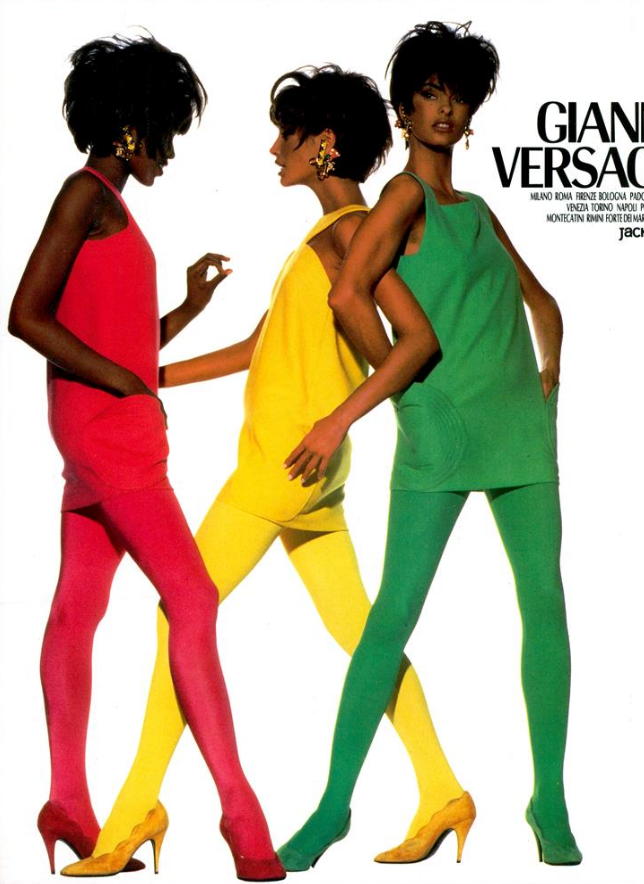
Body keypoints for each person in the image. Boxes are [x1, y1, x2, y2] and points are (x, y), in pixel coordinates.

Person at [88, 63, 469, 874]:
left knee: (178, 615)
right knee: (363, 635)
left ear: (322, 144)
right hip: (310, 481)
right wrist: (148, 377)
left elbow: (413, 344)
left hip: (279, 469)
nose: (273, 150)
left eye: (285, 137)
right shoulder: (329, 235)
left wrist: (336, 420)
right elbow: (255, 348)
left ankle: (131, 813)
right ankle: (441, 790)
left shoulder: (347, 235)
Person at [278, 21, 582, 869]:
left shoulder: (477, 210)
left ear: (472, 110)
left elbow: (542, 300)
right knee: (390, 618)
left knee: (544, 604)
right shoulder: (400, 199)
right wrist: (404, 390)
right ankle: (333, 807)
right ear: (403, 108)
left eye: (459, 95)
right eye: (429, 93)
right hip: (438, 435)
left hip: (518, 429)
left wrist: (550, 370)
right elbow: (347, 295)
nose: (446, 108)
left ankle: (548, 798)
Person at [8, 34, 284, 881]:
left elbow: (118, 341)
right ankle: (240, 813)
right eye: (164, 133)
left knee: (76, 609)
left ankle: (68, 804)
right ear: (131, 127)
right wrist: (122, 383)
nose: (169, 151)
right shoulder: (84, 195)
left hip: (96, 431)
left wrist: (189, 309)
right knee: (192, 596)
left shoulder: (112, 209)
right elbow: (25, 314)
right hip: (110, 433)